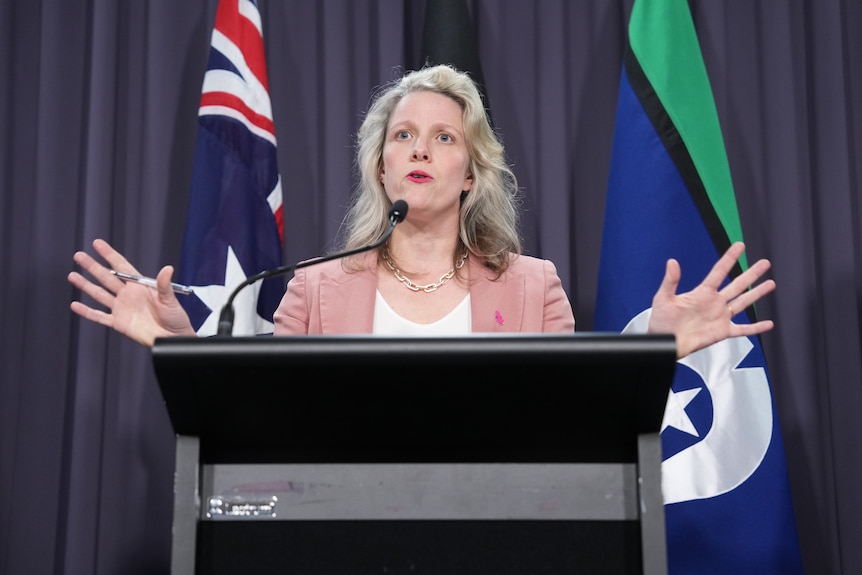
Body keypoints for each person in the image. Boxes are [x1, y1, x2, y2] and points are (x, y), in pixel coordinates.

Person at [68, 64, 775, 359]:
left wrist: (654, 346)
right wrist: (178, 346)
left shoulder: (534, 286)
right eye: (402, 135)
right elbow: (265, 416)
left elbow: (573, 418)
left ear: (471, 173)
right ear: (380, 164)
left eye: (444, 138)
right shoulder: (315, 289)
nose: (421, 149)